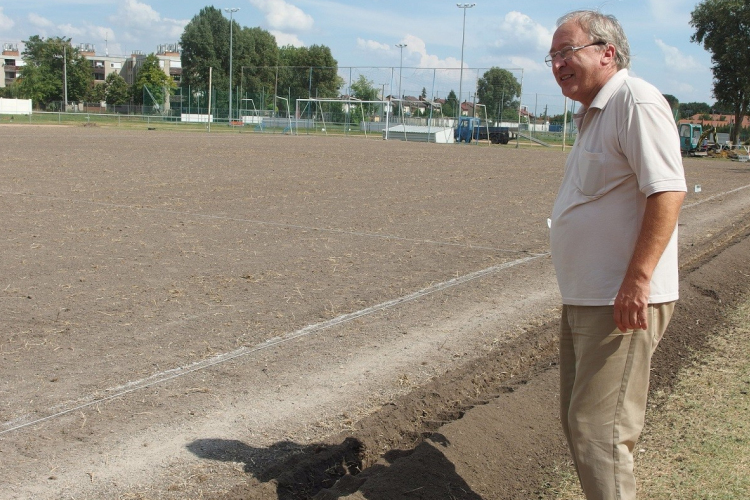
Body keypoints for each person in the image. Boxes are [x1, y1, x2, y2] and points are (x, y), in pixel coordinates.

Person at [547, 10, 687, 500]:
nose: (558, 63)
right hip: (590, 298)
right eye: (553, 56)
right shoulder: (594, 115)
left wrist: (637, 281)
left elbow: (667, 191)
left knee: (599, 434)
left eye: (568, 51)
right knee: (580, 424)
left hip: (620, 300)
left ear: (607, 52)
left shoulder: (636, 101)